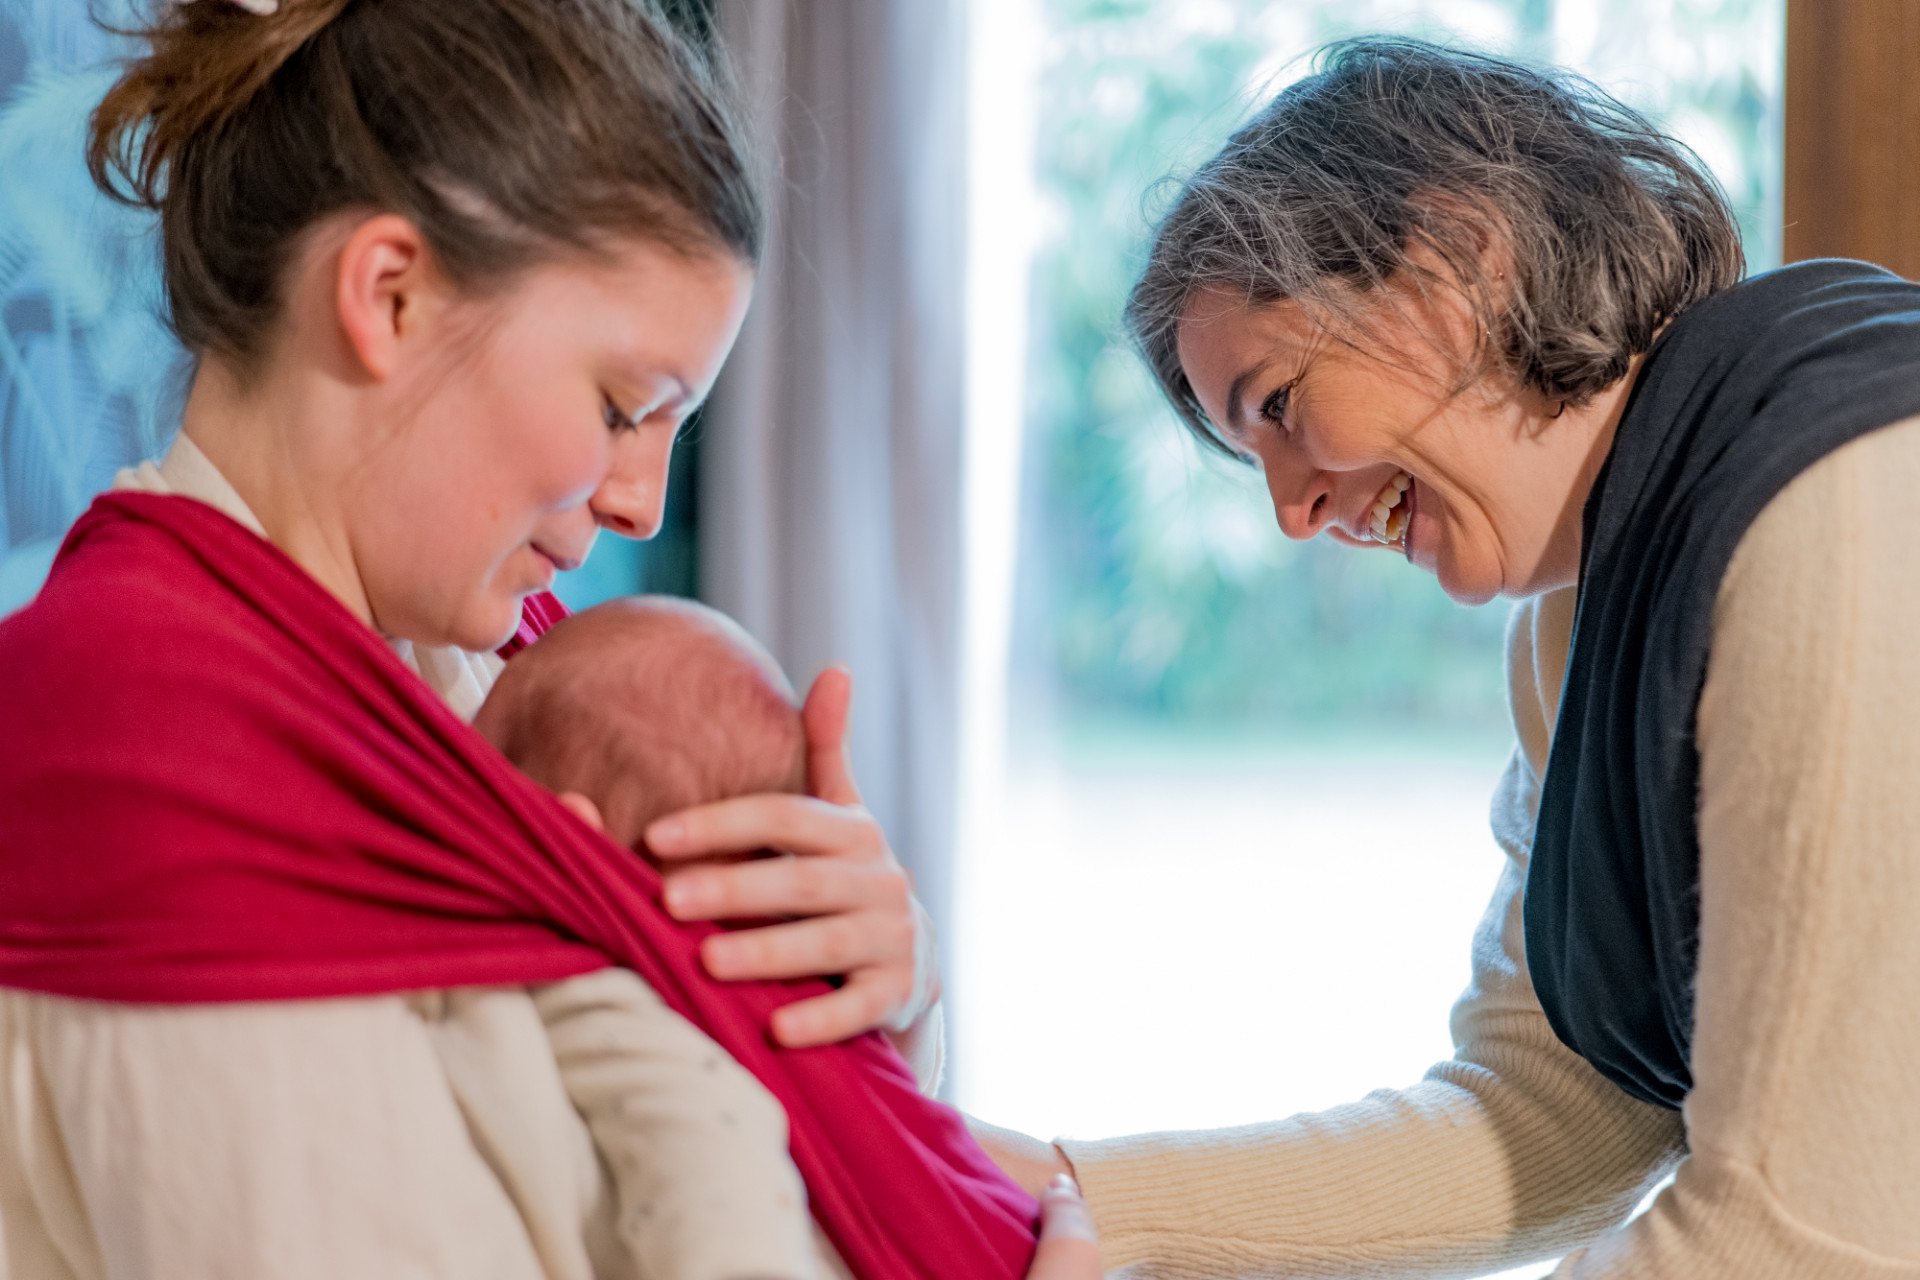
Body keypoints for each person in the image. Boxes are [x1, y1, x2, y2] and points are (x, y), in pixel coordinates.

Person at [0, 1, 1102, 1277]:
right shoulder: (147, 756)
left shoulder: (489, 679)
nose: (639, 498)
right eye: (626, 405)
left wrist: (847, 992)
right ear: (392, 295)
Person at [974, 37, 1920, 1279]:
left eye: (1276, 406)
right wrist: (1065, 1193)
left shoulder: (1843, 494)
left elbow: (1810, 1237)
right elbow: (1549, 1118)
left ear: (1457, 262)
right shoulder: (1580, 622)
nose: (1293, 515)